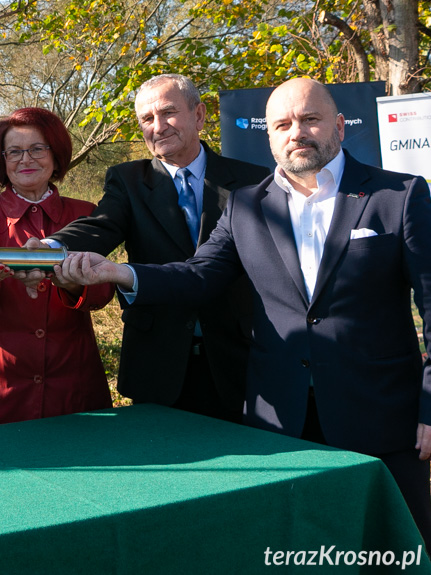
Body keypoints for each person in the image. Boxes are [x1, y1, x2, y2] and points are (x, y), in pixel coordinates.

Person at [59, 77, 431, 543]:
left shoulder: (399, 195)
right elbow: (198, 276)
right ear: (269, 136)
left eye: (310, 119)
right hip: (279, 423)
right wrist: (119, 274)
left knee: (394, 550)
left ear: (338, 125)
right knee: (292, 548)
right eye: (282, 124)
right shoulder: (247, 205)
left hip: (381, 418)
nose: (296, 132)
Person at [35, 74, 269, 423]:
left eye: (168, 113)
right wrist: (51, 247)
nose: (158, 127)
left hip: (239, 362)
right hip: (158, 362)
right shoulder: (128, 180)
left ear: (200, 115)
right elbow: (101, 225)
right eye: (146, 119)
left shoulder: (252, 180)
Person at [0, 107, 113, 431]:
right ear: (1, 159)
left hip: (72, 375)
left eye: (37, 148)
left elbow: (103, 288)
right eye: (15, 151)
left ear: (56, 153)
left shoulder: (86, 213)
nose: (26, 159)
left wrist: (74, 283)